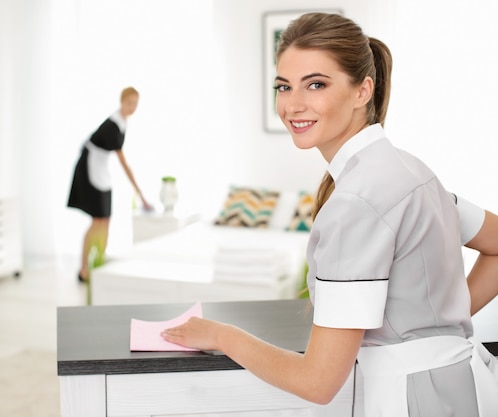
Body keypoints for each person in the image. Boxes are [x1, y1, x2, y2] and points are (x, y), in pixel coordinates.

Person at [162, 12, 498, 416]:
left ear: (362, 91)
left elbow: (317, 381)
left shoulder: (355, 204)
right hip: (464, 387)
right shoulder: (412, 170)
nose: (293, 104)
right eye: (283, 86)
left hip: (411, 401)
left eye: (316, 84)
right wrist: (438, 320)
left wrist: (222, 334)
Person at [67, 86, 152, 283]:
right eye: (129, 103)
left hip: (101, 169)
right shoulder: (113, 125)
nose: (132, 107)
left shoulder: (122, 122)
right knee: (97, 220)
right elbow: (124, 164)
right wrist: (140, 193)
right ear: (121, 101)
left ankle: (98, 266)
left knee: (106, 220)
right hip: (89, 169)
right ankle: (84, 270)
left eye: (135, 104)